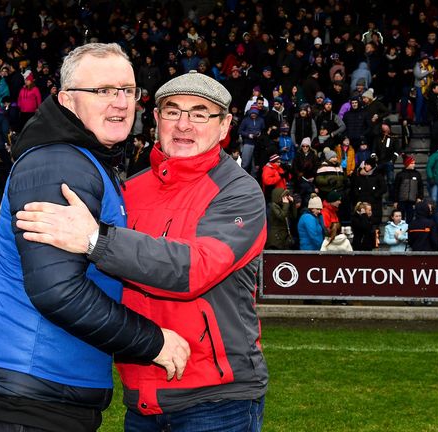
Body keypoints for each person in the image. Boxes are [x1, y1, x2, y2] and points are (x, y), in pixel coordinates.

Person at [14, 68, 268, 431]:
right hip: (140, 398)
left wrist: (96, 240)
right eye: (172, 111)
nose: (184, 124)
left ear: (225, 126)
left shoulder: (239, 193)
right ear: (155, 119)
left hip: (217, 401)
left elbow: (193, 270)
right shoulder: (129, 189)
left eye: (199, 113)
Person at [0, 43, 191, 432]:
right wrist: (154, 342)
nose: (120, 102)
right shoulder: (58, 161)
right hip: (30, 394)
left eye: (128, 90)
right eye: (103, 91)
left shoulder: (84, 157)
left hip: (46, 390)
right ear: (67, 100)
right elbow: (58, 291)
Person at [394, 154, 425, 222]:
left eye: (414, 163)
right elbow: (396, 188)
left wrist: (420, 197)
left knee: (410, 218)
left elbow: (420, 187)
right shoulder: (400, 174)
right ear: (407, 164)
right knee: (400, 219)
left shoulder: (417, 174)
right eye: (412, 163)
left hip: (412, 201)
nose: (414, 164)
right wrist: (395, 201)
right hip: (401, 201)